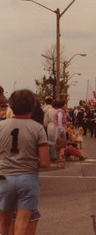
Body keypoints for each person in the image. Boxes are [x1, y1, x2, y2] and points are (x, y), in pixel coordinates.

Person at [0, 89, 50, 235]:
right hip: (27, 178)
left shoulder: (1, 126)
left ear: (11, 105)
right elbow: (45, 162)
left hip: (3, 178)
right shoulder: (38, 129)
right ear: (33, 106)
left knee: (3, 224)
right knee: (21, 224)